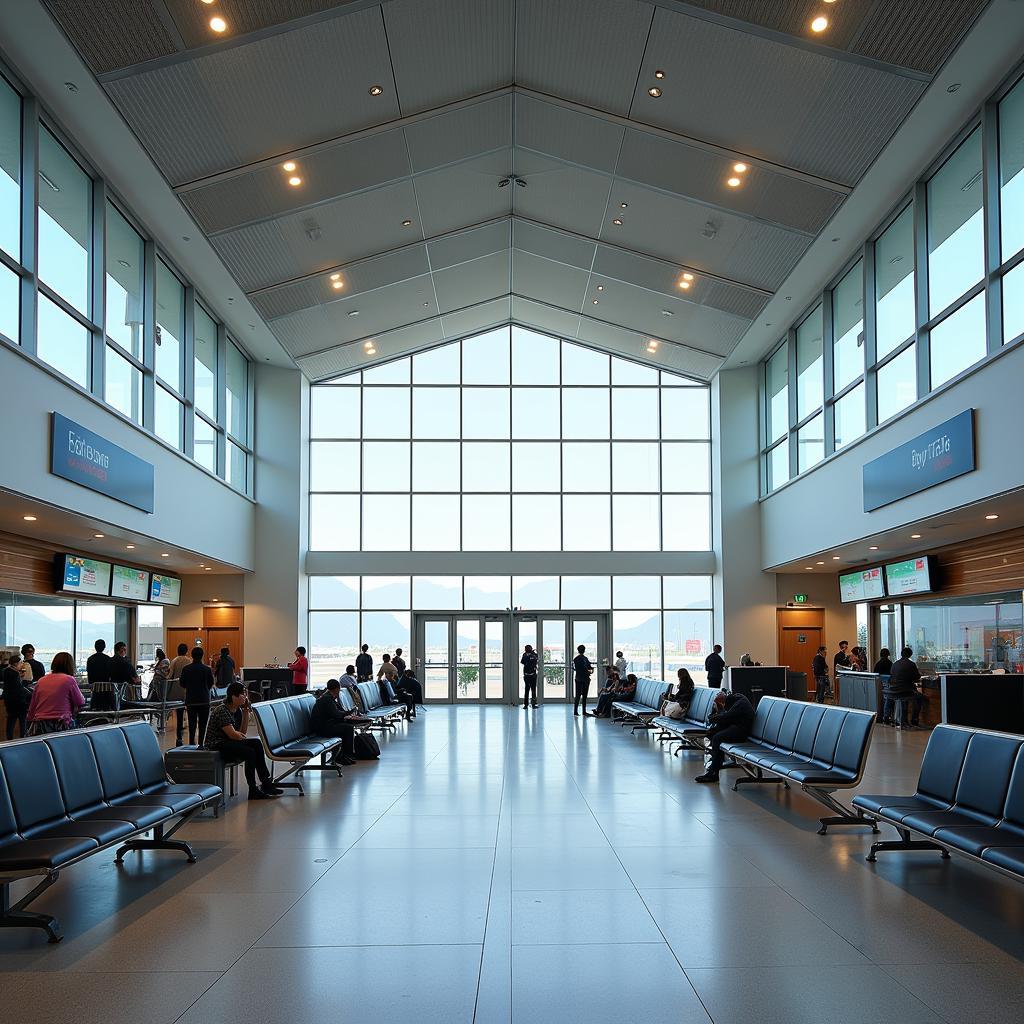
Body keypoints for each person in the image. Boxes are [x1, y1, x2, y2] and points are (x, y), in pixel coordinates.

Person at [204, 681, 283, 800]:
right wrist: (239, 736)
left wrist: (246, 711)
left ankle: (266, 783)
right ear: (233, 696)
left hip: (228, 742)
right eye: (242, 694)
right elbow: (233, 735)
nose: (245, 697)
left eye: (245, 694)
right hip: (216, 744)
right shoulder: (222, 710)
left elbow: (242, 732)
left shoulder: (238, 710)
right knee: (249, 752)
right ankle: (253, 789)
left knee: (256, 743)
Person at [695, 689, 755, 783]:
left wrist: (712, 717)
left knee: (717, 738)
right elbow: (727, 717)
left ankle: (713, 772)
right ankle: (715, 763)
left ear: (723, 702)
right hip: (737, 728)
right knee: (713, 733)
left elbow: (726, 717)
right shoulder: (737, 700)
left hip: (741, 733)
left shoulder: (739, 704)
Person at [26, 652, 85, 735]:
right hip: (61, 723)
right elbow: (80, 702)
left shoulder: (41, 681)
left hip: (40, 725)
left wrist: (29, 722)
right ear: (70, 665)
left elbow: (33, 706)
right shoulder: (69, 680)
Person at [309, 679, 358, 765]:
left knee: (346, 727)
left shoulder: (327, 697)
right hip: (322, 728)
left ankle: (343, 755)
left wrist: (346, 715)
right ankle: (345, 755)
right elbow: (336, 714)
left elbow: (336, 713)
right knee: (348, 728)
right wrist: (347, 714)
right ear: (336, 689)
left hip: (324, 726)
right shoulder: (327, 699)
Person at [179, 647, 215, 746]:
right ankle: (201, 744)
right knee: (203, 725)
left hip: (191, 700)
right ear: (202, 656)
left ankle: (191, 743)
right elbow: (211, 683)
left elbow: (182, 683)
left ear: (192, 655)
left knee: (192, 724)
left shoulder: (186, 669)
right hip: (204, 700)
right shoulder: (207, 669)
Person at [888, 646, 925, 727]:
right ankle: (914, 719)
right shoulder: (911, 664)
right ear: (910, 655)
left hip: (893, 690)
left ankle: (904, 720)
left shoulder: (895, 664)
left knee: (905, 699)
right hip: (904, 691)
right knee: (920, 698)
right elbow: (917, 677)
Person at [3, 652, 31, 740]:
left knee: (11, 720)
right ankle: (23, 738)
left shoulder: (6, 671)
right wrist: (29, 694)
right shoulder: (15, 674)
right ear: (16, 664)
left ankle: (9, 739)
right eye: (21, 663)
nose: (22, 665)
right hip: (19, 701)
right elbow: (19, 688)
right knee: (22, 721)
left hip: (9, 700)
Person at [169, 643, 192, 745]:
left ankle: (179, 735)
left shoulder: (174, 660)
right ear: (186, 651)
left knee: (179, 712)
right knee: (191, 712)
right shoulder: (189, 660)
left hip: (177, 690)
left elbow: (169, 675)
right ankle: (191, 735)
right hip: (188, 691)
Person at [572, 644, 593, 717]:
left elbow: (575, 668)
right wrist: (590, 671)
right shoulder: (585, 658)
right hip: (585, 679)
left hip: (578, 678)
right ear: (584, 650)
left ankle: (575, 711)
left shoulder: (576, 659)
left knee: (578, 695)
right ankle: (584, 711)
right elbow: (588, 667)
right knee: (584, 695)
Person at [521, 644, 539, 709]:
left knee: (533, 690)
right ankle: (526, 704)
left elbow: (536, 660)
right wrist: (528, 656)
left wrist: (532, 654)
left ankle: (533, 704)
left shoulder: (533, 655)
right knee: (527, 689)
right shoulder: (525, 655)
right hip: (527, 675)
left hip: (533, 675)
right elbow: (522, 661)